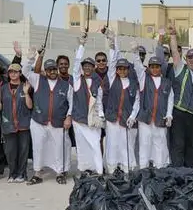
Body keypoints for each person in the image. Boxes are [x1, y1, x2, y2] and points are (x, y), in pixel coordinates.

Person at [23, 50, 73, 185]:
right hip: (39, 121)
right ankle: (37, 173)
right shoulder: (38, 79)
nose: (52, 72)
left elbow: (71, 103)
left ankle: (60, 172)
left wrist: (69, 117)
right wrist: (32, 58)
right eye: (49, 69)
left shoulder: (66, 85)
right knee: (38, 147)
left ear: (57, 69)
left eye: (54, 69)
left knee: (60, 147)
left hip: (58, 122)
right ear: (45, 70)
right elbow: (25, 71)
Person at [97, 31, 140, 174]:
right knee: (111, 145)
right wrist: (113, 43)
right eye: (119, 68)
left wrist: (133, 117)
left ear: (128, 70)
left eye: (124, 68)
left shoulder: (133, 84)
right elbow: (113, 59)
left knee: (125, 145)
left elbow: (137, 103)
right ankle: (111, 169)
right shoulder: (112, 78)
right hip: (111, 119)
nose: (121, 70)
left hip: (125, 120)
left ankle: (126, 168)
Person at [169, 26, 193, 168]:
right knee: (178, 144)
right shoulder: (180, 69)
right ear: (186, 58)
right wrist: (173, 35)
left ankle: (188, 173)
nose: (192, 60)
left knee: (192, 146)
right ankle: (178, 172)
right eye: (189, 57)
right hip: (179, 112)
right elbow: (174, 52)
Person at [133, 49, 173, 169]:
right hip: (145, 119)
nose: (155, 69)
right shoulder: (144, 79)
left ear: (161, 68)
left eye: (157, 67)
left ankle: (159, 168)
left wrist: (169, 115)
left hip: (161, 118)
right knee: (144, 144)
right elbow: (138, 67)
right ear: (149, 68)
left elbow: (170, 100)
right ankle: (143, 168)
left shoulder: (167, 82)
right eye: (152, 67)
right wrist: (135, 53)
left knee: (160, 145)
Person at [71, 30, 104, 175]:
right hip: (79, 120)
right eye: (85, 66)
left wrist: (101, 115)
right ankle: (85, 170)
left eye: (90, 65)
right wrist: (81, 47)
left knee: (95, 145)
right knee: (82, 147)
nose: (87, 67)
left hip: (93, 122)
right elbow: (75, 65)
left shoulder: (98, 82)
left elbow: (100, 102)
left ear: (93, 67)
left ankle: (99, 170)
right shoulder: (78, 80)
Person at [0, 64, 33, 182]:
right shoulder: (3, 88)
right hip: (8, 125)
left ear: (20, 73)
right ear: (8, 74)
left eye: (16, 72)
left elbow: (30, 106)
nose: (13, 74)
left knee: (23, 151)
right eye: (11, 72)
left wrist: (26, 93)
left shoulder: (25, 86)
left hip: (23, 125)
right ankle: (12, 173)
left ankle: (22, 174)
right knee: (10, 151)